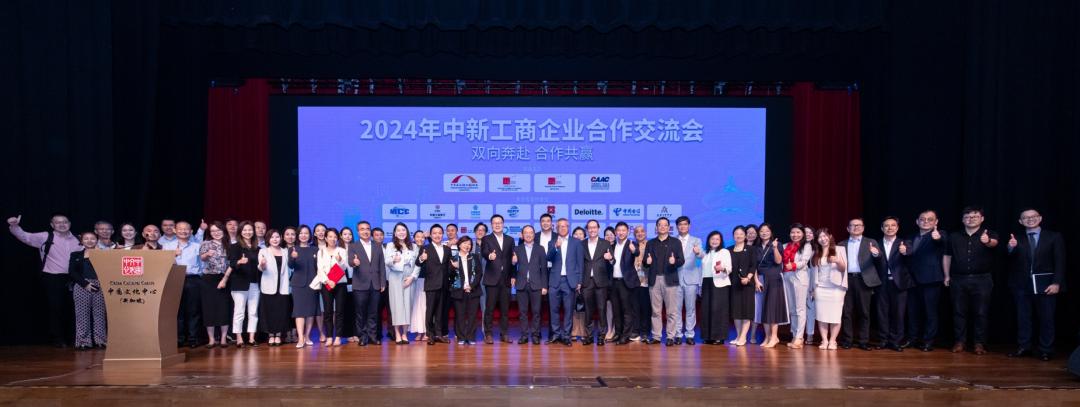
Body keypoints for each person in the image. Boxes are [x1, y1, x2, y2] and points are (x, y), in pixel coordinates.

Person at [8, 214, 80, 347]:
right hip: (53, 277)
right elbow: (24, 236)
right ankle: (57, 338)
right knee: (56, 308)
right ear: (52, 225)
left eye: (65, 222)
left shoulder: (78, 239)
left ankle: (75, 338)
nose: (62, 224)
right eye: (58, 222)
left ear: (70, 224)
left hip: (74, 278)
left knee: (75, 308)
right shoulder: (45, 236)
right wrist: (14, 226)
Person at [1006, 208, 1066, 361]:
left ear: (1040, 218)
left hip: (1046, 284)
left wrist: (1057, 283)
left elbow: (1060, 261)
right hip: (1021, 285)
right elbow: (1009, 259)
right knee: (1023, 318)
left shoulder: (1054, 236)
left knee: (1047, 318)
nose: (1030, 219)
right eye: (1025, 217)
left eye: (1033, 216)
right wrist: (1011, 248)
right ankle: (1024, 347)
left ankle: (1046, 350)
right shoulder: (1016, 238)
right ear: (1021, 222)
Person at [944, 207, 998, 355]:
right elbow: (947, 256)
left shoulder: (989, 234)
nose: (971, 219)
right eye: (967, 217)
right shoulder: (954, 236)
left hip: (982, 279)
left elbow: (994, 243)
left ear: (982, 219)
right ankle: (960, 342)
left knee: (981, 312)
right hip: (958, 279)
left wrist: (987, 241)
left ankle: (979, 343)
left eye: (975, 216)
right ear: (963, 220)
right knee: (958, 311)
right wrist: (947, 276)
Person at [904, 210, 948, 352]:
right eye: (922, 219)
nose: (926, 221)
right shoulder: (910, 237)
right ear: (917, 221)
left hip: (931, 280)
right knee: (912, 312)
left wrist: (937, 237)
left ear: (936, 222)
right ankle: (912, 339)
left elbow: (942, 241)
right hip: (912, 281)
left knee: (930, 312)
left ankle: (928, 341)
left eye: (930, 219)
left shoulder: (940, 234)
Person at [838, 218, 883, 350]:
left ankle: (863, 341)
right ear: (848, 229)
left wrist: (876, 254)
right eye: (852, 225)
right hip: (847, 280)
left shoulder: (871, 242)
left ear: (863, 228)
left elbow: (879, 259)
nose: (856, 227)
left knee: (864, 312)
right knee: (846, 312)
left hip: (864, 280)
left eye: (858, 225)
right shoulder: (841, 244)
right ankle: (847, 340)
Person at [874, 217, 914, 352]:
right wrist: (875, 256)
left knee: (898, 313)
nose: (890, 228)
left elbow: (910, 252)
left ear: (897, 228)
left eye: (893, 225)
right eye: (886, 225)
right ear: (882, 228)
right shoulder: (876, 243)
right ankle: (883, 340)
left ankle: (896, 341)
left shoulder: (904, 242)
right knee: (882, 313)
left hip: (899, 283)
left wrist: (905, 251)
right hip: (881, 283)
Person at [645, 217, 686, 346]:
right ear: (656, 227)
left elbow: (681, 260)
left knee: (671, 311)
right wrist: (647, 262)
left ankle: (670, 336)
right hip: (654, 279)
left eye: (665, 225)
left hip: (670, 279)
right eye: (660, 225)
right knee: (655, 311)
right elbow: (645, 262)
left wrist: (675, 262)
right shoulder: (650, 243)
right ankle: (656, 336)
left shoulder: (676, 242)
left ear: (669, 227)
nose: (662, 227)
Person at [348, 221, 386, 346]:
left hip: (375, 284)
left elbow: (381, 265)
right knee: (360, 313)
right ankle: (362, 337)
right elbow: (350, 261)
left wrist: (382, 282)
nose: (365, 231)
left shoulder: (377, 245)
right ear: (358, 232)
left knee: (373, 312)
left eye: (367, 229)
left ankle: (372, 336)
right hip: (360, 284)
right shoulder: (353, 246)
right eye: (362, 229)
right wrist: (354, 263)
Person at [546, 218, 583, 346]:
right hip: (555, 280)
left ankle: (567, 335)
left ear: (568, 227)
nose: (562, 228)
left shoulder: (576, 242)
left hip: (570, 281)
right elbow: (548, 258)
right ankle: (556, 334)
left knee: (568, 310)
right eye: (559, 226)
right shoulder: (552, 242)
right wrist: (555, 247)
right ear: (556, 228)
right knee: (553, 309)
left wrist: (579, 281)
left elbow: (580, 263)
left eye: (564, 226)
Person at [69, 231, 107, 350]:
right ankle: (83, 342)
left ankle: (101, 341)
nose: (89, 241)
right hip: (81, 285)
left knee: (100, 314)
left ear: (97, 240)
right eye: (86, 238)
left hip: (100, 285)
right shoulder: (75, 255)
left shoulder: (104, 254)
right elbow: (72, 272)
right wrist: (85, 284)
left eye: (92, 238)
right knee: (81, 315)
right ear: (81, 241)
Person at [811, 228, 848, 350]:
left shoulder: (840, 249)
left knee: (835, 316)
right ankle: (824, 340)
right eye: (820, 237)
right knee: (821, 316)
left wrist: (837, 261)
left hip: (836, 288)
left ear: (830, 236)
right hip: (820, 288)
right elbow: (813, 273)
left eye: (825, 236)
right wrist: (813, 289)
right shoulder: (816, 252)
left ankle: (833, 341)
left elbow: (843, 269)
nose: (823, 239)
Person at [226, 221, 261, 347]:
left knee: (253, 312)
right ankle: (239, 338)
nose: (248, 232)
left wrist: (262, 265)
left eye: (250, 230)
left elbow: (259, 266)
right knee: (239, 311)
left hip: (254, 283)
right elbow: (231, 264)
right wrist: (239, 262)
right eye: (245, 230)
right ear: (240, 232)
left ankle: (251, 338)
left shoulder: (257, 248)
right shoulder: (235, 247)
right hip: (239, 284)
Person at [481, 214, 515, 344]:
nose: (497, 224)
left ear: (503, 224)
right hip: (492, 279)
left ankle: (504, 334)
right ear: (491, 225)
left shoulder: (510, 239)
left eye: (499, 222)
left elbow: (513, 259)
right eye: (495, 223)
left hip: (506, 279)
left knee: (505, 310)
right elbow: (484, 252)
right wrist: (489, 256)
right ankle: (488, 334)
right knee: (489, 309)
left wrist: (513, 275)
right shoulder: (486, 239)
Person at [415, 224, 451, 345]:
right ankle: (430, 335)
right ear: (430, 235)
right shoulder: (426, 248)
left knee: (440, 311)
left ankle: (439, 334)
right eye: (434, 233)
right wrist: (422, 258)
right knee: (430, 311)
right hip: (431, 284)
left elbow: (448, 266)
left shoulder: (447, 249)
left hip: (444, 284)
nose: (437, 235)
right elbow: (418, 263)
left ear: (442, 234)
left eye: (439, 233)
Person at [578, 220, 613, 346]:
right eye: (590, 228)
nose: (592, 230)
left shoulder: (605, 243)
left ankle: (602, 335)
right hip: (586, 282)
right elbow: (578, 263)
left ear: (598, 229)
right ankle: (588, 336)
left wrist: (610, 259)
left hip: (601, 282)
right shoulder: (581, 244)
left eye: (594, 227)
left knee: (602, 309)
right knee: (588, 310)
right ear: (587, 230)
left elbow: (613, 262)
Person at [511, 225, 547, 344]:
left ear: (534, 234)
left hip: (536, 285)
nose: (528, 234)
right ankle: (524, 335)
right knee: (522, 312)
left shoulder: (540, 249)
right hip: (521, 284)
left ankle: (535, 335)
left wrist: (544, 286)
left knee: (536, 312)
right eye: (526, 232)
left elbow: (544, 269)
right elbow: (513, 267)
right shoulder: (517, 249)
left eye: (531, 232)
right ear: (522, 235)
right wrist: (513, 263)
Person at [384, 223, 419, 345]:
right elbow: (386, 261)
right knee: (396, 305)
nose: (401, 232)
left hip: (409, 277)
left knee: (408, 305)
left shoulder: (414, 246)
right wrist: (393, 259)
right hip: (395, 277)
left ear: (407, 232)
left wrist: (412, 277)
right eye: (398, 230)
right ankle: (397, 333)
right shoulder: (390, 245)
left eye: (403, 230)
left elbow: (418, 264)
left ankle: (404, 333)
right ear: (394, 233)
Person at [198, 222, 232, 348]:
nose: (216, 233)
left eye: (218, 230)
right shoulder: (205, 244)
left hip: (224, 278)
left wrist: (225, 279)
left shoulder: (229, 244)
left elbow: (232, 263)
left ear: (223, 230)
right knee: (209, 308)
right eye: (213, 231)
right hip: (208, 279)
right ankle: (211, 339)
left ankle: (223, 338)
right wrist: (207, 254)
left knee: (224, 308)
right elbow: (202, 258)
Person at [172, 221, 204, 348]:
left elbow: (202, 264)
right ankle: (178, 339)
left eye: (186, 229)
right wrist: (172, 255)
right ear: (175, 230)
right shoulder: (167, 246)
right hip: (174, 280)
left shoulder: (197, 246)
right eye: (180, 229)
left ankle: (193, 339)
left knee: (193, 311)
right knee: (177, 311)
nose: (183, 231)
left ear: (191, 232)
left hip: (193, 280)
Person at [755, 223, 787, 348]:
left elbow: (779, 261)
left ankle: (774, 337)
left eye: (767, 231)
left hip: (774, 279)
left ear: (771, 232)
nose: (764, 233)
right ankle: (767, 337)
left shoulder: (777, 244)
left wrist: (774, 248)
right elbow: (754, 266)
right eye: (762, 231)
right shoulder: (757, 247)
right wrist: (756, 281)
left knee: (772, 309)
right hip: (761, 279)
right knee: (764, 309)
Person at [314, 228, 348, 346]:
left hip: (340, 284)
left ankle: (338, 337)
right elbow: (319, 269)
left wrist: (340, 260)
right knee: (328, 311)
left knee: (340, 311)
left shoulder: (342, 251)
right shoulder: (321, 252)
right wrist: (328, 281)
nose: (333, 239)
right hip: (326, 284)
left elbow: (344, 267)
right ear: (326, 238)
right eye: (330, 236)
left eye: (335, 237)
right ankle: (329, 336)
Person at [257, 230, 291, 346]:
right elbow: (261, 268)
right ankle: (271, 335)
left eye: (277, 237)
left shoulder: (285, 251)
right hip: (268, 286)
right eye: (272, 237)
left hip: (283, 286)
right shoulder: (263, 251)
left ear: (280, 238)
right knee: (269, 311)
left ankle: (279, 335)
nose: (275, 239)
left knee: (281, 311)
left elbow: (289, 268)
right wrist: (262, 264)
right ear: (268, 239)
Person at [781, 224, 813, 349]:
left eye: (798, 232)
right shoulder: (785, 246)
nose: (795, 235)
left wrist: (793, 265)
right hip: (787, 277)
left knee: (800, 309)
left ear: (802, 234)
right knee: (792, 309)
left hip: (800, 278)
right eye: (793, 232)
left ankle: (799, 337)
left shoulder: (807, 246)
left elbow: (804, 262)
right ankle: (794, 335)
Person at [673, 216, 703, 345]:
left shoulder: (696, 240)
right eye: (680, 224)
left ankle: (690, 334)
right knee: (676, 309)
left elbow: (702, 256)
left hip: (691, 278)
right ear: (677, 227)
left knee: (691, 309)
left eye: (685, 224)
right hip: (675, 279)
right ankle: (678, 334)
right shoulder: (673, 241)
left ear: (689, 226)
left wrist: (698, 252)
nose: (683, 226)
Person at [288, 225, 320, 348]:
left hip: (313, 284)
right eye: (301, 233)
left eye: (306, 233)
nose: (303, 235)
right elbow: (291, 266)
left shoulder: (315, 249)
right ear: (298, 235)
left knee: (310, 312)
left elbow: (319, 267)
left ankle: (307, 336)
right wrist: (293, 258)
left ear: (310, 235)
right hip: (298, 285)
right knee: (299, 312)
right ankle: (300, 338)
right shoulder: (293, 249)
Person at [610, 222, 641, 345]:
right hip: (614, 282)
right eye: (619, 230)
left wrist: (634, 251)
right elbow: (611, 262)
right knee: (616, 310)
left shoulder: (632, 244)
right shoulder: (612, 245)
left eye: (623, 230)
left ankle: (625, 335)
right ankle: (618, 333)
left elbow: (637, 252)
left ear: (628, 231)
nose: (621, 232)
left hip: (626, 282)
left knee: (627, 310)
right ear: (615, 232)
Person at [699, 231, 731, 345]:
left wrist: (722, 268)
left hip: (719, 283)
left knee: (718, 310)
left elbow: (729, 268)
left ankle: (719, 337)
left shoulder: (724, 252)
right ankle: (707, 336)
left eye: (717, 239)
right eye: (712, 239)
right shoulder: (706, 253)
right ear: (708, 240)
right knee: (706, 310)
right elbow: (702, 270)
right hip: (706, 282)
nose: (714, 241)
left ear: (721, 241)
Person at [728, 226, 758, 346]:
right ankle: (738, 335)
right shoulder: (728, 250)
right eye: (736, 233)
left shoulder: (751, 249)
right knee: (736, 311)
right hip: (733, 284)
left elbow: (753, 265)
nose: (738, 236)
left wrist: (748, 278)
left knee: (746, 311)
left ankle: (743, 337)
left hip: (747, 283)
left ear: (745, 236)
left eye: (741, 234)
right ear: (733, 236)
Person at [451, 236, 483, 345]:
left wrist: (471, 286)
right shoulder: (453, 258)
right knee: (459, 315)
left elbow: (479, 273)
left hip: (473, 290)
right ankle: (461, 337)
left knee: (472, 315)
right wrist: (454, 267)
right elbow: (449, 275)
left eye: (469, 244)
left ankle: (471, 336)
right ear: (459, 245)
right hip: (458, 290)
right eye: (465, 243)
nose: (467, 246)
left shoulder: (474, 257)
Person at [632, 225, 651, 341]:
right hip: (633, 282)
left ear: (646, 233)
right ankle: (635, 331)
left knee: (645, 308)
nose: (640, 233)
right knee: (635, 308)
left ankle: (645, 332)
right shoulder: (631, 245)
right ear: (634, 234)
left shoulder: (651, 245)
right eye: (637, 232)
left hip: (647, 281)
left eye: (642, 231)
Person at [745, 225, 763, 344]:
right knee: (744, 308)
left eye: (753, 233)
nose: (751, 235)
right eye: (748, 232)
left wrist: (756, 281)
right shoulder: (739, 246)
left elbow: (755, 266)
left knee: (756, 309)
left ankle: (752, 335)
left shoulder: (759, 248)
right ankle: (742, 334)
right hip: (742, 280)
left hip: (756, 279)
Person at [409, 230, 428, 342]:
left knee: (424, 307)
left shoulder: (426, 249)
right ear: (414, 238)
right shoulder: (410, 249)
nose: (420, 239)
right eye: (418, 237)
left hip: (423, 280)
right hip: (411, 281)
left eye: (422, 237)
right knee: (415, 307)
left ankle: (425, 331)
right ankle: (418, 331)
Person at [803, 225, 818, 345]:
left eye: (810, 232)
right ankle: (797, 334)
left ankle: (809, 334)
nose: (808, 234)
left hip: (812, 282)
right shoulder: (797, 247)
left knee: (810, 310)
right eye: (805, 232)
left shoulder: (817, 249)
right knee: (798, 310)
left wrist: (814, 287)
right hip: (799, 281)